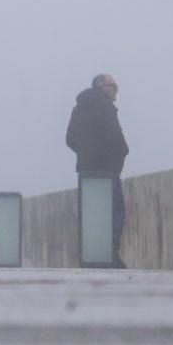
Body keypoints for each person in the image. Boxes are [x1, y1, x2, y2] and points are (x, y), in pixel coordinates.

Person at [66, 73, 129, 268]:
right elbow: (115, 139)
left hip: (86, 171)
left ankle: (92, 258)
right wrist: (119, 155)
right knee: (116, 212)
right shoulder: (105, 106)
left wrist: (86, 154)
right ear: (101, 86)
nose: (116, 91)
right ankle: (110, 256)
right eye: (113, 86)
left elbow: (69, 139)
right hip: (107, 171)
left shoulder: (78, 109)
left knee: (92, 215)